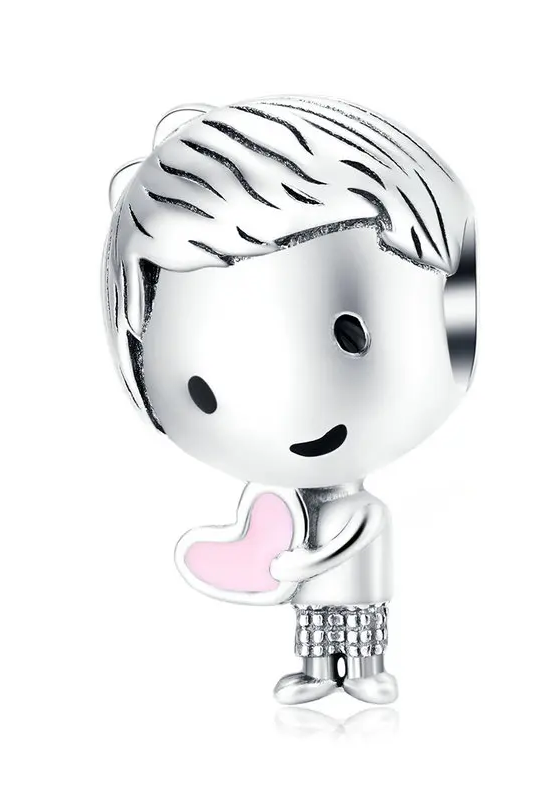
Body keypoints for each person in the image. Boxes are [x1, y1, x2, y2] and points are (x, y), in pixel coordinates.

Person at [102, 95, 476, 704]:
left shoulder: (355, 509)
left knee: (361, 636)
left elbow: (360, 531)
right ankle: (316, 673)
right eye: (205, 391)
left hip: (353, 594)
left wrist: (298, 567)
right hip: (310, 596)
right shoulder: (275, 501)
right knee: (316, 635)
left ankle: (366, 672)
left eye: (351, 337)